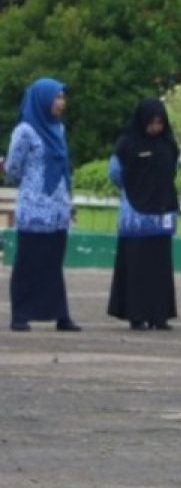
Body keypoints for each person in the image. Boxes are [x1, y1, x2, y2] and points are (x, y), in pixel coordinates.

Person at [5, 78, 80, 332]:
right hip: (35, 208)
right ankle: (21, 314)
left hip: (57, 209)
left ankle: (59, 314)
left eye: (62, 97)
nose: (61, 103)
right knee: (29, 262)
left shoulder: (58, 129)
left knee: (53, 263)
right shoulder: (25, 130)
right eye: (56, 97)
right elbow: (13, 169)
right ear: (42, 100)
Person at [106, 99, 180, 331]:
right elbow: (115, 172)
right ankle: (136, 314)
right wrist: (133, 189)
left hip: (161, 213)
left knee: (160, 267)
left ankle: (160, 315)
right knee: (136, 266)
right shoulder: (127, 143)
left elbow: (172, 171)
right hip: (136, 216)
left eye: (160, 123)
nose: (156, 128)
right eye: (152, 123)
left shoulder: (168, 144)